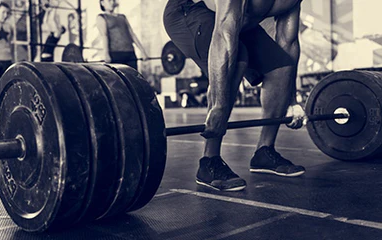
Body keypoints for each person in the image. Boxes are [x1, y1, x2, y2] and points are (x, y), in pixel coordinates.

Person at [163, 0, 306, 191]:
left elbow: (288, 42)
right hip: (187, 12)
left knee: (281, 65)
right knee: (238, 58)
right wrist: (219, 106)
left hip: (239, 22)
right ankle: (209, 160)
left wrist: (292, 101)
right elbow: (224, 32)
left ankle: (264, 151)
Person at [96, 0, 149, 70]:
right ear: (102, 3)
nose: (112, 2)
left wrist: (143, 51)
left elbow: (132, 35)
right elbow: (104, 35)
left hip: (130, 53)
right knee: (119, 80)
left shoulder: (122, 17)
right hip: (115, 54)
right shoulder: (101, 17)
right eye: (109, 1)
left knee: (133, 78)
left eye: (113, 0)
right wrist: (106, 54)